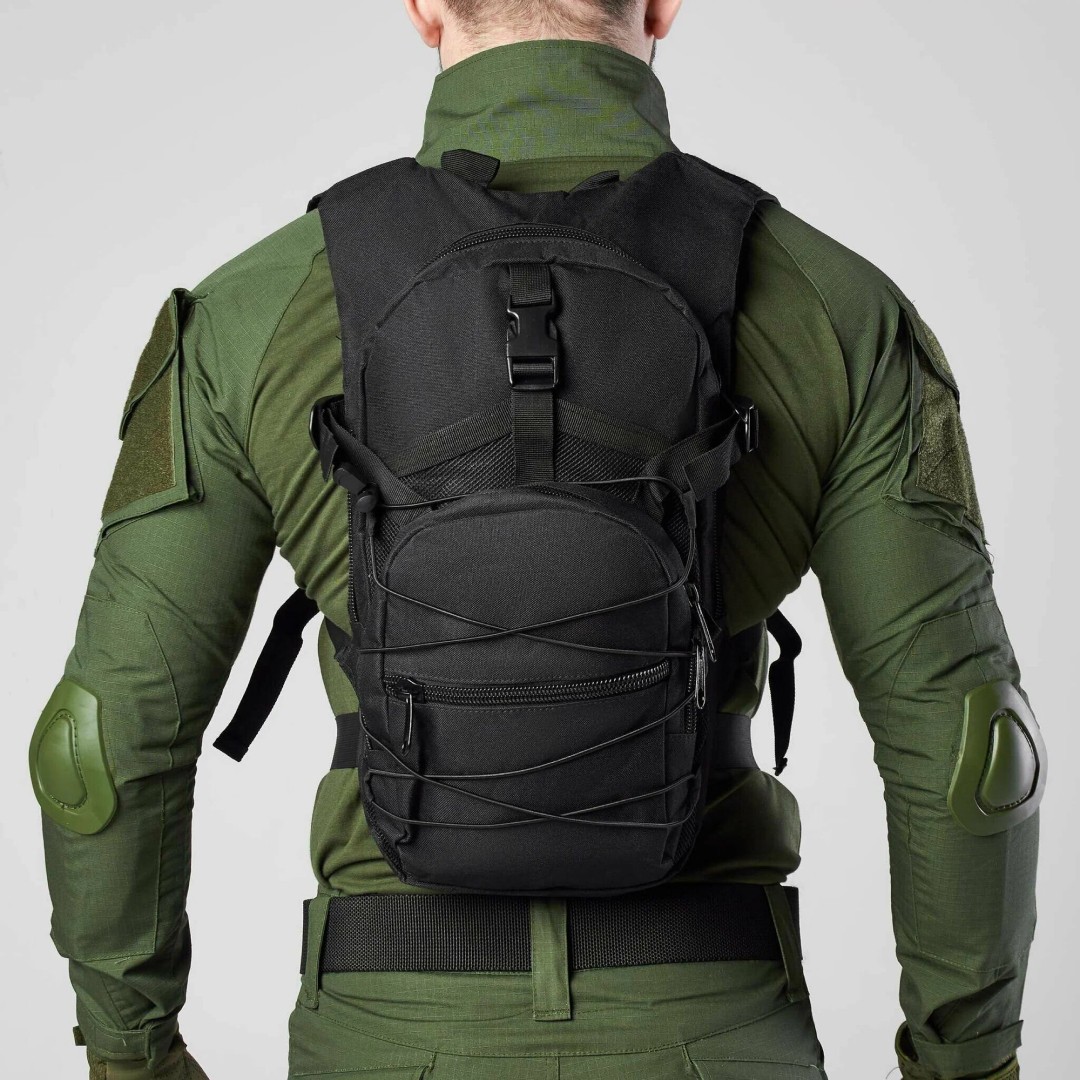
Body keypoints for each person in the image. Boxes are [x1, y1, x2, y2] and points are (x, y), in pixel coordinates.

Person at [28, 1, 1042, 1077]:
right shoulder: (841, 308)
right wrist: (967, 1061)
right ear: (661, 3)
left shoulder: (249, 314)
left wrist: (133, 1055)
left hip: (386, 1023)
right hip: (715, 1018)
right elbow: (967, 738)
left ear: (424, 7)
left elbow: (103, 738)